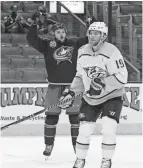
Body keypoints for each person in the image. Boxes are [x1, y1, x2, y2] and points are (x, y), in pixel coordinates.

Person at [59, 22, 128, 168]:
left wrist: (102, 84)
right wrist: (71, 92)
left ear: (103, 36)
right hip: (90, 98)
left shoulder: (112, 51)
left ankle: (106, 161)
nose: (92, 36)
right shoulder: (82, 51)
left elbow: (122, 76)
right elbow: (79, 76)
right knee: (84, 130)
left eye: (96, 33)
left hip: (112, 96)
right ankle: (80, 160)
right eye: (90, 32)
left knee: (108, 128)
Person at [26, 12, 94, 159]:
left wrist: (90, 25)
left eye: (63, 32)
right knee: (51, 118)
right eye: (58, 32)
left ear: (66, 33)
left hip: (73, 87)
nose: (61, 34)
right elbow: (32, 39)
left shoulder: (74, 43)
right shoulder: (46, 45)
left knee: (75, 118)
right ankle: (48, 145)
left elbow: (89, 39)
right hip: (54, 87)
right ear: (53, 34)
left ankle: (77, 145)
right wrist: (33, 25)